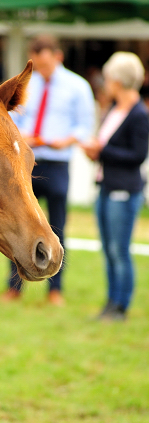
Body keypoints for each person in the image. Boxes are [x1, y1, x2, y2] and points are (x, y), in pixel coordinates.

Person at [2, 35, 95, 305]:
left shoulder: (78, 87)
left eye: (45, 64)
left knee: (57, 226)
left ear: (58, 57)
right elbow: (15, 116)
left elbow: (84, 126)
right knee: (18, 224)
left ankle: (56, 290)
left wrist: (64, 140)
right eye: (37, 64)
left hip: (57, 163)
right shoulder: (28, 85)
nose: (41, 70)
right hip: (28, 161)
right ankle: (13, 287)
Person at [82, 52, 149, 321]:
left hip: (124, 190)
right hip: (106, 186)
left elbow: (137, 156)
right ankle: (111, 302)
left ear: (118, 81)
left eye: (108, 78)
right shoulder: (113, 109)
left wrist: (103, 151)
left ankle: (121, 305)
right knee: (107, 249)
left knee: (119, 250)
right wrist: (97, 151)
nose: (105, 83)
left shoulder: (139, 115)